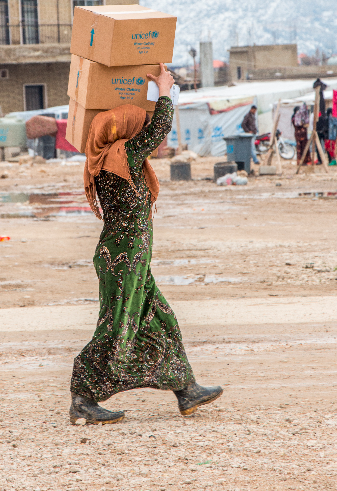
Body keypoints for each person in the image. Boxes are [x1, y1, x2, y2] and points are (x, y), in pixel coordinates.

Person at [70, 63, 223, 425]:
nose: (137, 130)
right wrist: (165, 89)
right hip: (123, 259)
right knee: (117, 327)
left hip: (132, 258)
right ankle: (83, 397)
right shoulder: (119, 157)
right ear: (120, 131)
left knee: (161, 321)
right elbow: (159, 129)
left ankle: (186, 390)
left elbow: (152, 132)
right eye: (131, 125)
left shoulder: (114, 160)